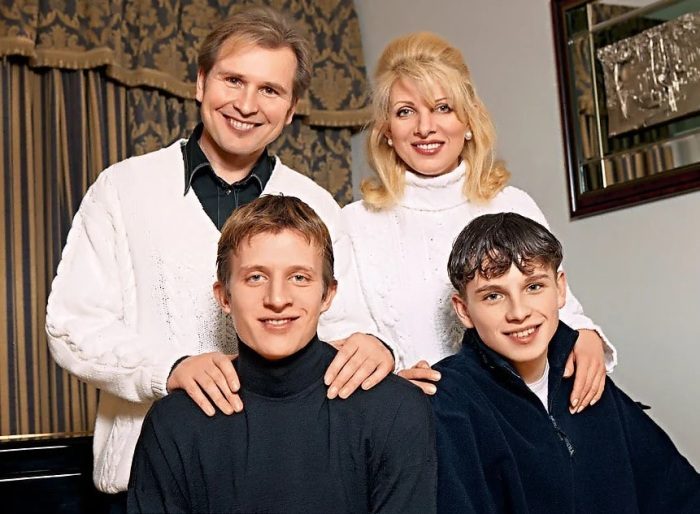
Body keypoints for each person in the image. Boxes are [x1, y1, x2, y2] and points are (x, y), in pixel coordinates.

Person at [45, 6, 393, 506]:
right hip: (144, 479)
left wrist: (374, 347)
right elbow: (71, 327)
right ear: (201, 83)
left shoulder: (317, 204)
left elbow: (346, 323)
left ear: (291, 108)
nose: (247, 105)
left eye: (270, 90)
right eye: (233, 80)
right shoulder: (122, 189)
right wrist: (170, 368)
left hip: (284, 479)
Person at [341, 32, 614, 409]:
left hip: (520, 413)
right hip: (416, 420)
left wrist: (586, 334)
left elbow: (557, 304)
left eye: (443, 107)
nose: (425, 128)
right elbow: (348, 342)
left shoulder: (512, 204)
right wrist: (389, 386)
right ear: (386, 130)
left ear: (468, 121)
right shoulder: (354, 224)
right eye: (405, 111)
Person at [127, 195, 436, 514]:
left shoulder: (395, 409)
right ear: (224, 297)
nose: (277, 299)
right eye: (255, 277)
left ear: (327, 294)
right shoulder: (174, 422)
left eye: (299, 277)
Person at [431, 212, 700, 513]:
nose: (519, 312)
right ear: (464, 310)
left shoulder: (586, 379)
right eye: (493, 296)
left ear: (560, 289)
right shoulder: (448, 403)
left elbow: (680, 493)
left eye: (534, 287)